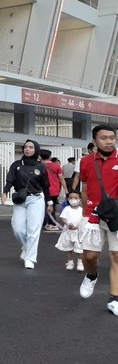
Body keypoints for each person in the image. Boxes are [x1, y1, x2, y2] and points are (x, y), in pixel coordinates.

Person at [76, 124, 118, 316]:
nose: (109, 141)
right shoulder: (85, 162)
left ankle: (114, 298)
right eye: (104, 138)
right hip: (92, 213)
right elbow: (84, 188)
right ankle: (92, 275)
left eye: (112, 137)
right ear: (95, 141)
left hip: (116, 214)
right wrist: (85, 212)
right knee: (90, 256)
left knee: (117, 256)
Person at [1, 140, 52, 269]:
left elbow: (46, 186)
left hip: (36, 199)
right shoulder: (16, 165)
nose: (27, 149)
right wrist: (5, 191)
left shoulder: (41, 167)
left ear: (36, 150)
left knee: (33, 230)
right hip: (20, 199)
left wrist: (49, 202)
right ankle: (26, 247)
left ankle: (30, 258)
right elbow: (10, 180)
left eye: (31, 147)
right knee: (18, 229)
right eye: (25, 147)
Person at [55, 191, 84, 271]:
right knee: (68, 248)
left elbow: (83, 220)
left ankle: (80, 262)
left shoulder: (81, 210)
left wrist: (78, 226)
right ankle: (70, 262)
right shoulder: (66, 209)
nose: (73, 200)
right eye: (71, 198)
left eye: (76, 198)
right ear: (67, 199)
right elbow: (63, 218)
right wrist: (67, 223)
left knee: (79, 248)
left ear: (80, 199)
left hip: (78, 232)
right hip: (68, 232)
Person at [40, 149, 65, 231]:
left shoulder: (39, 166)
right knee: (52, 206)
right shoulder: (57, 166)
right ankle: (52, 223)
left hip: (42, 189)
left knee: (43, 206)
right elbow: (61, 179)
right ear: (49, 156)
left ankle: (46, 223)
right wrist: (66, 189)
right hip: (55, 189)